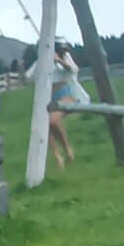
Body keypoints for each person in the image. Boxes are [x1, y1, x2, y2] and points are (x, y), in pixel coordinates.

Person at [28, 38, 82, 169]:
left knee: (52, 121)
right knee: (47, 127)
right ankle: (58, 158)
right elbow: (29, 77)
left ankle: (67, 149)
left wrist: (59, 60)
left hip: (65, 95)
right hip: (49, 99)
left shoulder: (64, 57)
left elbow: (73, 70)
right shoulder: (41, 62)